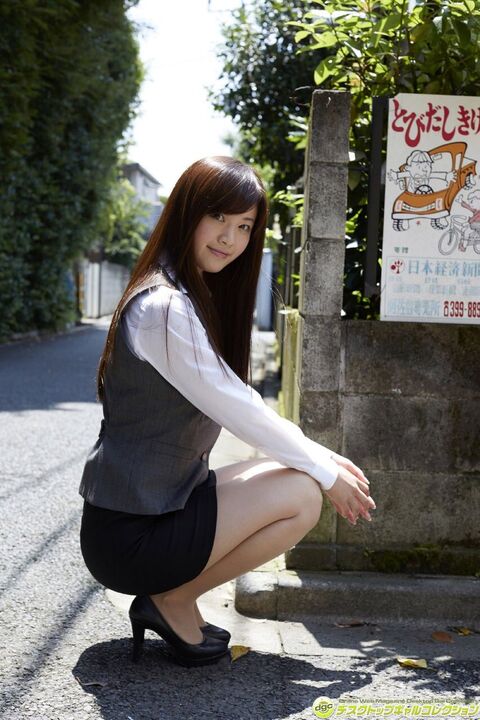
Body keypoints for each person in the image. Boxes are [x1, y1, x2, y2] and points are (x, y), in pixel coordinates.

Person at [78, 155, 376, 668]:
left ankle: (172, 597)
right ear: (187, 211)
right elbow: (238, 408)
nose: (230, 238)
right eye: (218, 217)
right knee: (303, 494)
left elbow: (239, 400)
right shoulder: (163, 307)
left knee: (296, 479)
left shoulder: (185, 291)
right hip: (130, 535)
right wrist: (328, 472)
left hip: (157, 507)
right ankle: (171, 599)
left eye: (244, 226)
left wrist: (322, 459)